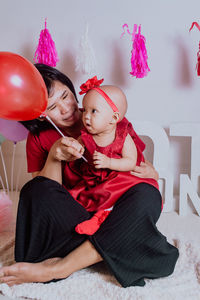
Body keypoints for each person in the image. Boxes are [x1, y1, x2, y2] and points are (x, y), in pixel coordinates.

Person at [0, 64, 179, 287]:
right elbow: (45, 195)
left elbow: (134, 165)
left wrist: (152, 170)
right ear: (42, 114)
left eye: (66, 96)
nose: (66, 109)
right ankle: (113, 249)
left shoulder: (102, 113)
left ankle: (60, 266)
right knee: (32, 189)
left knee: (146, 194)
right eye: (53, 107)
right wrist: (55, 155)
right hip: (80, 216)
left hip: (114, 211)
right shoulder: (39, 138)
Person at [66, 76, 160, 235]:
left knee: (125, 196)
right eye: (85, 110)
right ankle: (93, 218)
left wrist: (109, 162)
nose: (86, 116)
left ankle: (101, 218)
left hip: (118, 178)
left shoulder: (122, 136)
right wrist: (74, 150)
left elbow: (130, 162)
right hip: (94, 180)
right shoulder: (85, 136)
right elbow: (76, 150)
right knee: (76, 199)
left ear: (114, 118)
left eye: (93, 111)